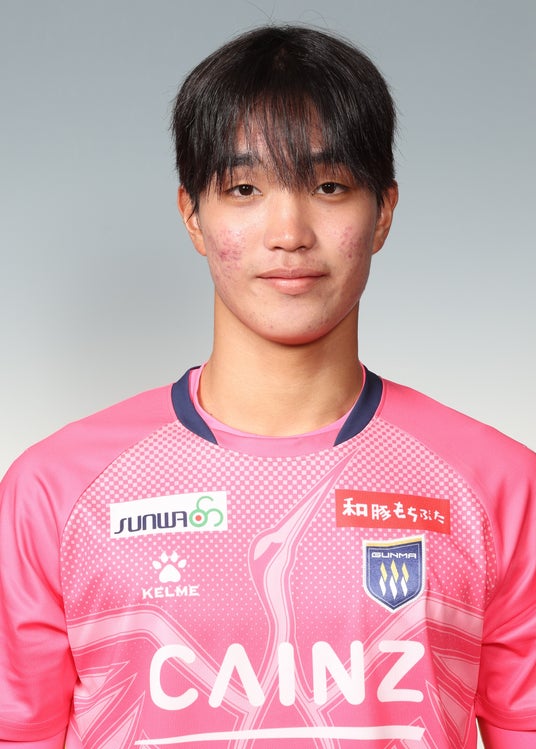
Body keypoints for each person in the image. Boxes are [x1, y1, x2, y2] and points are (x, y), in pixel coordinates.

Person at [0, 24, 534, 749]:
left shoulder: (502, 488)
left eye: (329, 186)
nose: (289, 232)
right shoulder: (54, 493)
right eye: (246, 189)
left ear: (383, 211)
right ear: (192, 215)